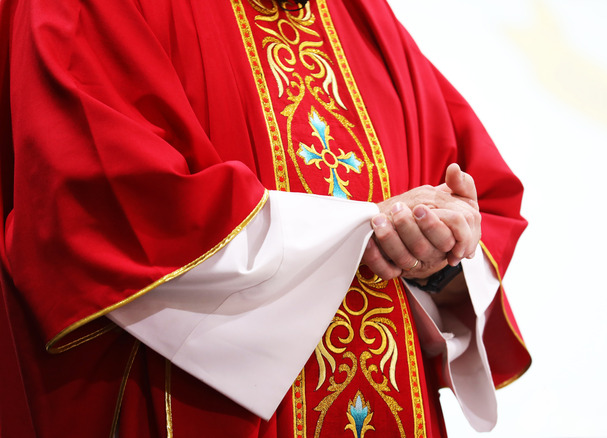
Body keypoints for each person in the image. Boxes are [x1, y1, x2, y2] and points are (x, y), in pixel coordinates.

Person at [0, 0, 531, 436]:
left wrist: (436, 249)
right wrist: (357, 235)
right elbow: (101, 198)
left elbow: (479, 198)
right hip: (196, 408)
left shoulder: (361, 14)